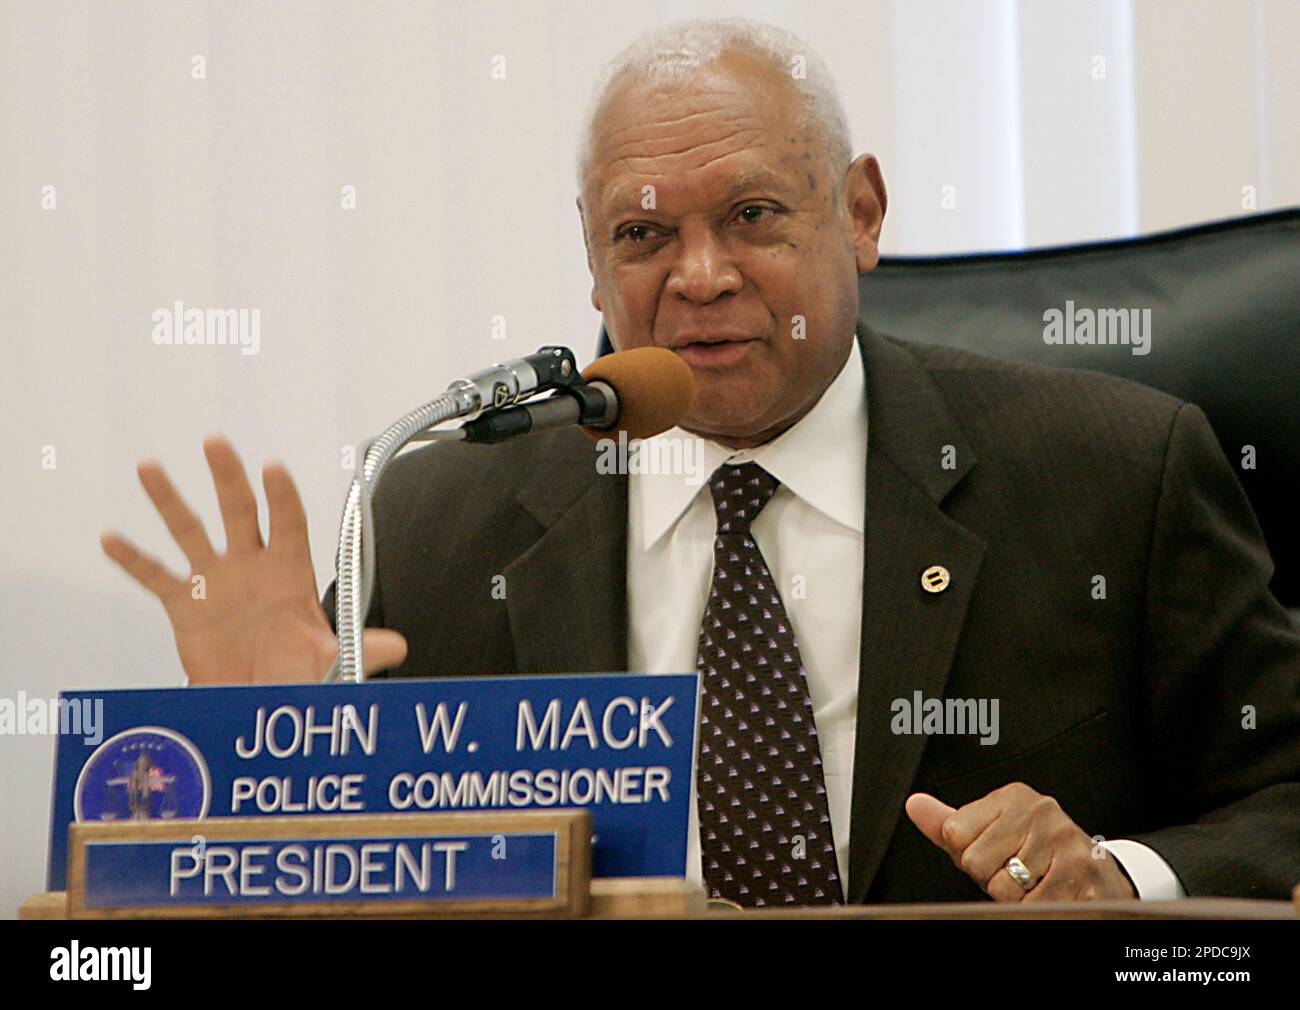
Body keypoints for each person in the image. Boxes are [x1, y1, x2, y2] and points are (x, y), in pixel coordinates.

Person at [101, 18, 1300, 907]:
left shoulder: (1112, 474)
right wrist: (261, 762)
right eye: (641, 233)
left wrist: (1121, 875)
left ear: (863, 212)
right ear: (588, 264)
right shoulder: (437, 522)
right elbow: (361, 882)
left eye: (753, 216)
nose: (700, 275)